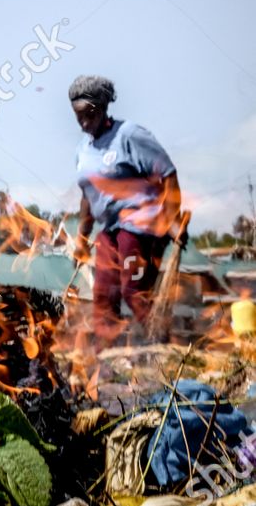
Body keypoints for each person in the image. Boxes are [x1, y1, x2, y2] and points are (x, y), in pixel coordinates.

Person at [69, 75, 183, 346]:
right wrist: (81, 240)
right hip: (109, 229)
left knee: (134, 290)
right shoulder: (82, 150)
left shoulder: (129, 135)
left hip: (141, 224)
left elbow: (167, 174)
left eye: (90, 114)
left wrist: (171, 221)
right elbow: (87, 197)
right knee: (104, 293)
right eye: (78, 116)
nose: (84, 122)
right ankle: (106, 358)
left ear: (103, 107)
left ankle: (164, 347)